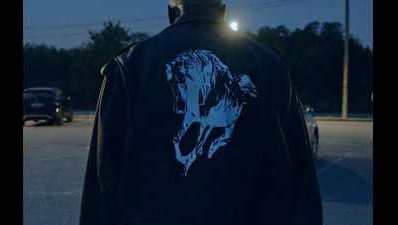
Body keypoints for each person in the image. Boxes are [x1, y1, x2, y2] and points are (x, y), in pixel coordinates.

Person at [78, 0, 323, 224]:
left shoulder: (129, 65)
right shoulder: (271, 67)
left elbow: (103, 180)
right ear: (222, 6)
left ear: (173, 5)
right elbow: (300, 180)